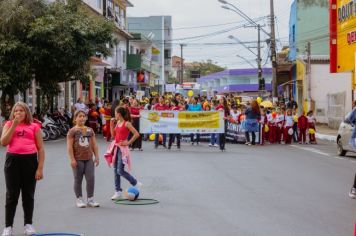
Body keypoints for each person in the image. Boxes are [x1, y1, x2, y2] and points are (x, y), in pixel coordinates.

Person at [1, 102, 45, 236]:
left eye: (21, 111)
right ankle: (8, 226)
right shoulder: (8, 125)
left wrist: (40, 168)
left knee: (28, 195)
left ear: (26, 112)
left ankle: (28, 224)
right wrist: (14, 125)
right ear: (13, 113)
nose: (18, 113)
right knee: (11, 195)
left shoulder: (34, 127)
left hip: (30, 161)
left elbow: (41, 148)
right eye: (16, 111)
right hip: (13, 160)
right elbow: (3, 142)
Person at [110, 107, 142, 200]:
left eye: (115, 113)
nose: (114, 115)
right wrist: (111, 125)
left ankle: (135, 183)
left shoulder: (127, 123)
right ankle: (118, 191)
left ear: (119, 114)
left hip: (123, 149)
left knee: (120, 170)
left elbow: (136, 134)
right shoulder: (118, 123)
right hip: (116, 147)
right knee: (116, 170)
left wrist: (128, 142)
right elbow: (113, 135)